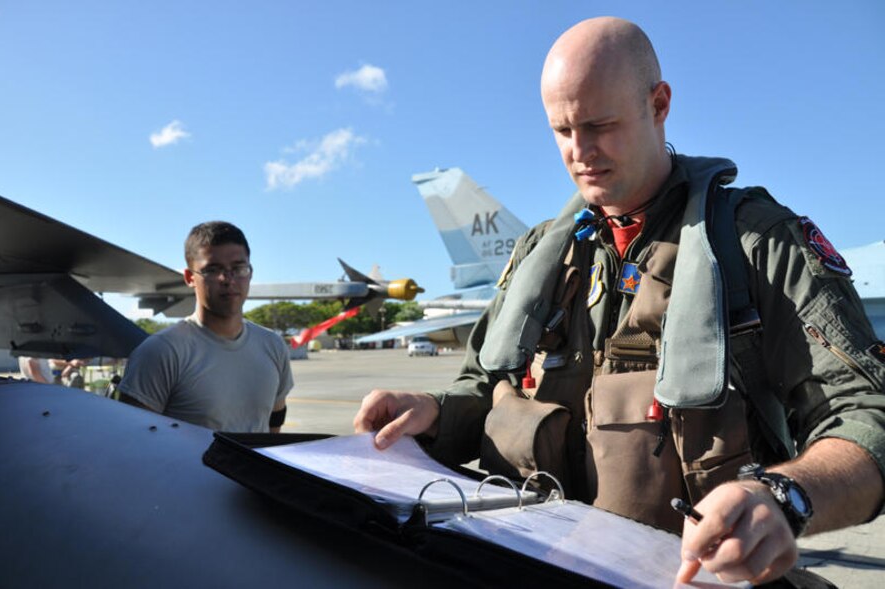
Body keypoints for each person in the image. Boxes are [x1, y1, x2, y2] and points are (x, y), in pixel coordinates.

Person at [354, 17, 885, 585]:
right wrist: (433, 410)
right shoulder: (543, 256)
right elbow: (484, 387)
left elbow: (868, 414)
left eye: (600, 125)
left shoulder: (756, 243)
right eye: (562, 131)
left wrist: (784, 497)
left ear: (659, 105)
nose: (580, 153)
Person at [119, 221, 293, 433]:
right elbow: (133, 437)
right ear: (190, 277)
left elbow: (274, 424)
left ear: (250, 272)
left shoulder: (272, 345)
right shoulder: (161, 352)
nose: (227, 279)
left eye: (238, 268)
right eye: (212, 270)